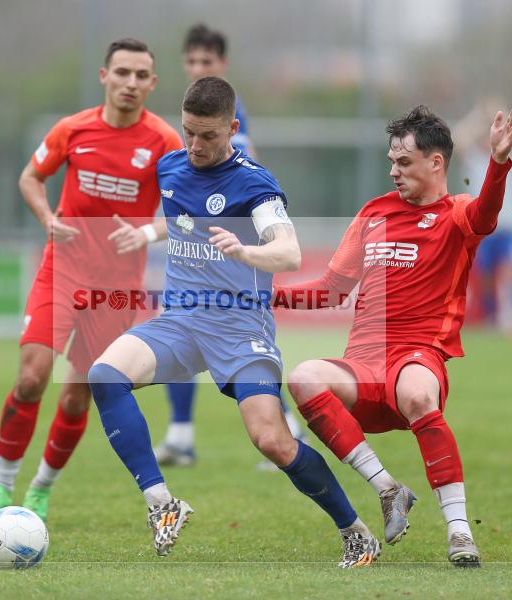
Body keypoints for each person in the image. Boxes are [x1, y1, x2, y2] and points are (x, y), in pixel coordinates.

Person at [87, 76, 380, 568]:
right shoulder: (171, 167)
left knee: (271, 439)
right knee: (104, 376)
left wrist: (247, 250)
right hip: (180, 321)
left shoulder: (254, 184)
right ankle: (163, 503)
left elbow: (287, 251)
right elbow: (182, 218)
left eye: (208, 136)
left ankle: (354, 530)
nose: (196, 146)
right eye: (188, 133)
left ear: (232, 129)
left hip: (239, 327)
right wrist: (143, 233)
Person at [275, 104, 512, 568]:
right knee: (305, 376)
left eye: (404, 162)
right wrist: (271, 296)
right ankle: (388, 489)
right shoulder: (373, 213)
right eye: (391, 161)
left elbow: (487, 215)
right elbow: (331, 291)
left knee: (415, 391)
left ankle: (460, 532)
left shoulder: (457, 214)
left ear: (436, 163)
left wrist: (499, 162)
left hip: (418, 357)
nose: (394, 172)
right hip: (364, 365)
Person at [0, 38, 183, 524]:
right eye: (122, 72)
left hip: (117, 288)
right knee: (31, 377)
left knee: (77, 390)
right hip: (63, 268)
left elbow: (186, 209)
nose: (130, 83)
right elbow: (29, 177)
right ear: (104, 76)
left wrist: (147, 231)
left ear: (152, 83)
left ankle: (40, 489)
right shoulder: (72, 128)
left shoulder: (165, 141)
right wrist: (47, 218)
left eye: (140, 75)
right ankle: (0, 488)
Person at [154, 23, 305, 469]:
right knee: (174, 327)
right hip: (195, 254)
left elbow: (249, 182)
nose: (198, 68)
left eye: (207, 62)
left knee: (241, 348)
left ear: (222, 65)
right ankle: (182, 435)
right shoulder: (191, 123)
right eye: (192, 62)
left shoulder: (232, 124)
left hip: (231, 260)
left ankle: (285, 429)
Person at [455, 99, 512, 336]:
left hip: (510, 224)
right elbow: (458, 138)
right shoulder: (475, 158)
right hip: (484, 225)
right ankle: (491, 317)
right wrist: (479, 115)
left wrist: (502, 113)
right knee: (484, 274)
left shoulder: (509, 153)